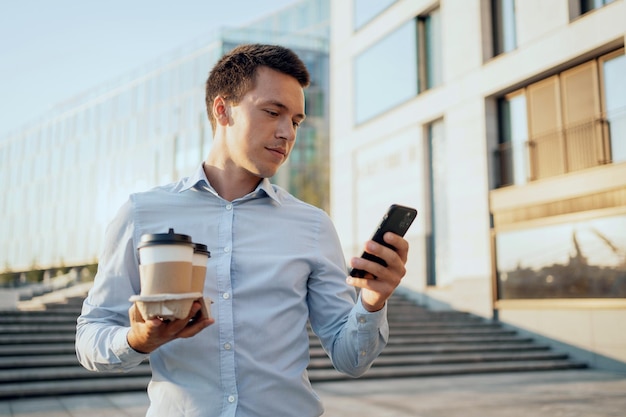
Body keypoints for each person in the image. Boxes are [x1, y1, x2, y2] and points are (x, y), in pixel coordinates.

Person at [75, 43, 409, 417]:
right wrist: (136, 339)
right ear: (223, 110)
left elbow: (351, 359)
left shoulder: (312, 225)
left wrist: (373, 301)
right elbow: (91, 337)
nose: (287, 133)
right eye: (272, 112)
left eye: (296, 121)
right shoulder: (141, 213)